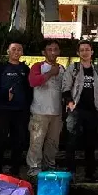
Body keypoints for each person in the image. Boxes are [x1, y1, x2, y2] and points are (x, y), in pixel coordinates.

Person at [62, 40, 98, 181]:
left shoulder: (97, 70)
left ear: (92, 52)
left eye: (87, 49)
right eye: (82, 50)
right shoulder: (73, 68)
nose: (85, 52)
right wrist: (70, 102)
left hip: (92, 110)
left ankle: (90, 173)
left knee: (90, 143)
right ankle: (70, 172)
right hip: (76, 109)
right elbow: (66, 87)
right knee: (71, 141)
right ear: (78, 53)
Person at [0, 41, 32, 178]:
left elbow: (30, 90)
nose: (16, 52)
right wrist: (4, 95)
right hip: (3, 110)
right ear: (8, 51)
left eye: (19, 49)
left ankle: (15, 171)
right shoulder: (0, 68)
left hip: (20, 111)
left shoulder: (25, 69)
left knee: (18, 141)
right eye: (13, 49)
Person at [26, 39, 65, 177]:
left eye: (56, 49)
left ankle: (50, 167)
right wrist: (50, 73)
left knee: (53, 143)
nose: (53, 52)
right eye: (50, 49)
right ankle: (34, 168)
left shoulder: (62, 69)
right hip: (39, 111)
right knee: (36, 141)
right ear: (44, 52)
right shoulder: (38, 66)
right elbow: (33, 82)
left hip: (57, 112)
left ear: (59, 52)